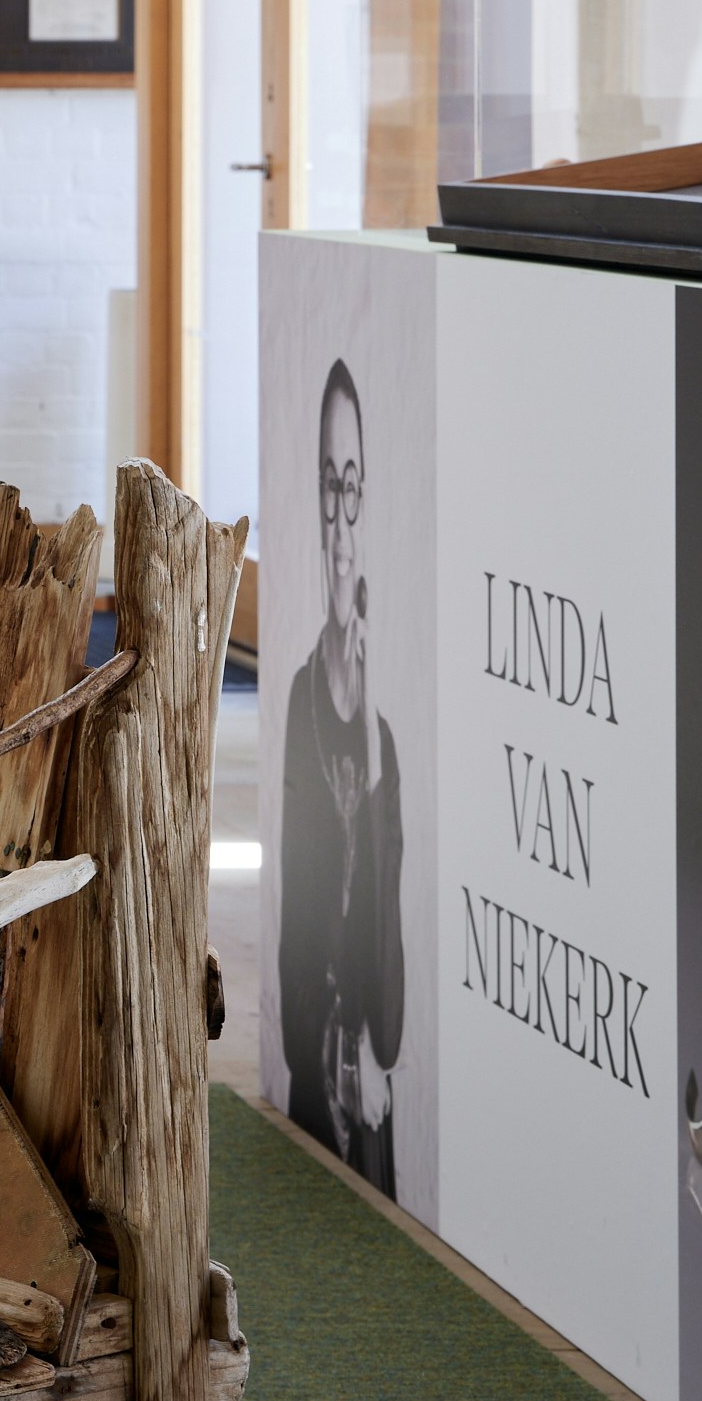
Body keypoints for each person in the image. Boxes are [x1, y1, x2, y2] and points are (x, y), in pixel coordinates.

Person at [278, 352, 405, 1193]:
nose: (339, 518)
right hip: (316, 1085)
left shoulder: (382, 736)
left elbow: (385, 910)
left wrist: (378, 1052)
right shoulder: (296, 702)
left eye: (352, 484)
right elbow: (300, 915)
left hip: (373, 1093)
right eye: (328, 484)